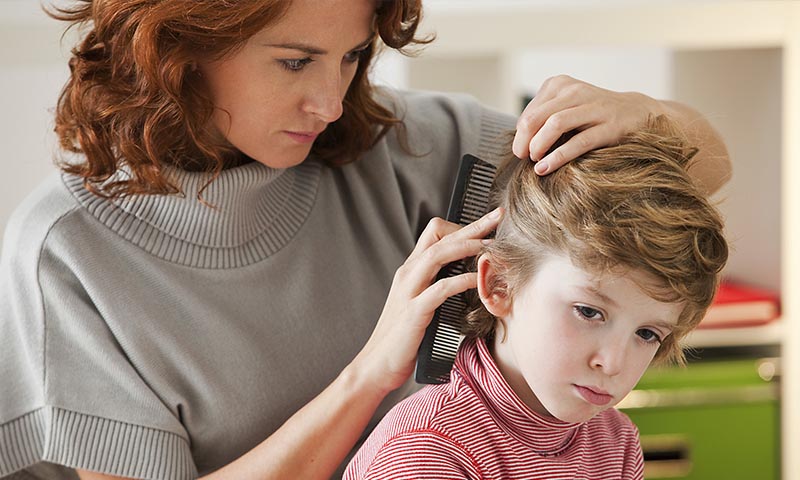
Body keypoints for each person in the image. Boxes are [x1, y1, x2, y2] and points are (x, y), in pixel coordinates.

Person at [0, 0, 731, 479]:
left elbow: (707, 168)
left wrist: (643, 115)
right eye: (295, 61)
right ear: (178, 44)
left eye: (351, 58)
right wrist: (370, 376)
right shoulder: (68, 255)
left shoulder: (418, 147)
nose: (331, 100)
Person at [343, 116, 729, 479]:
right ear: (499, 286)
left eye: (646, 334)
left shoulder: (615, 443)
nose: (613, 363)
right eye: (589, 312)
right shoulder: (425, 454)